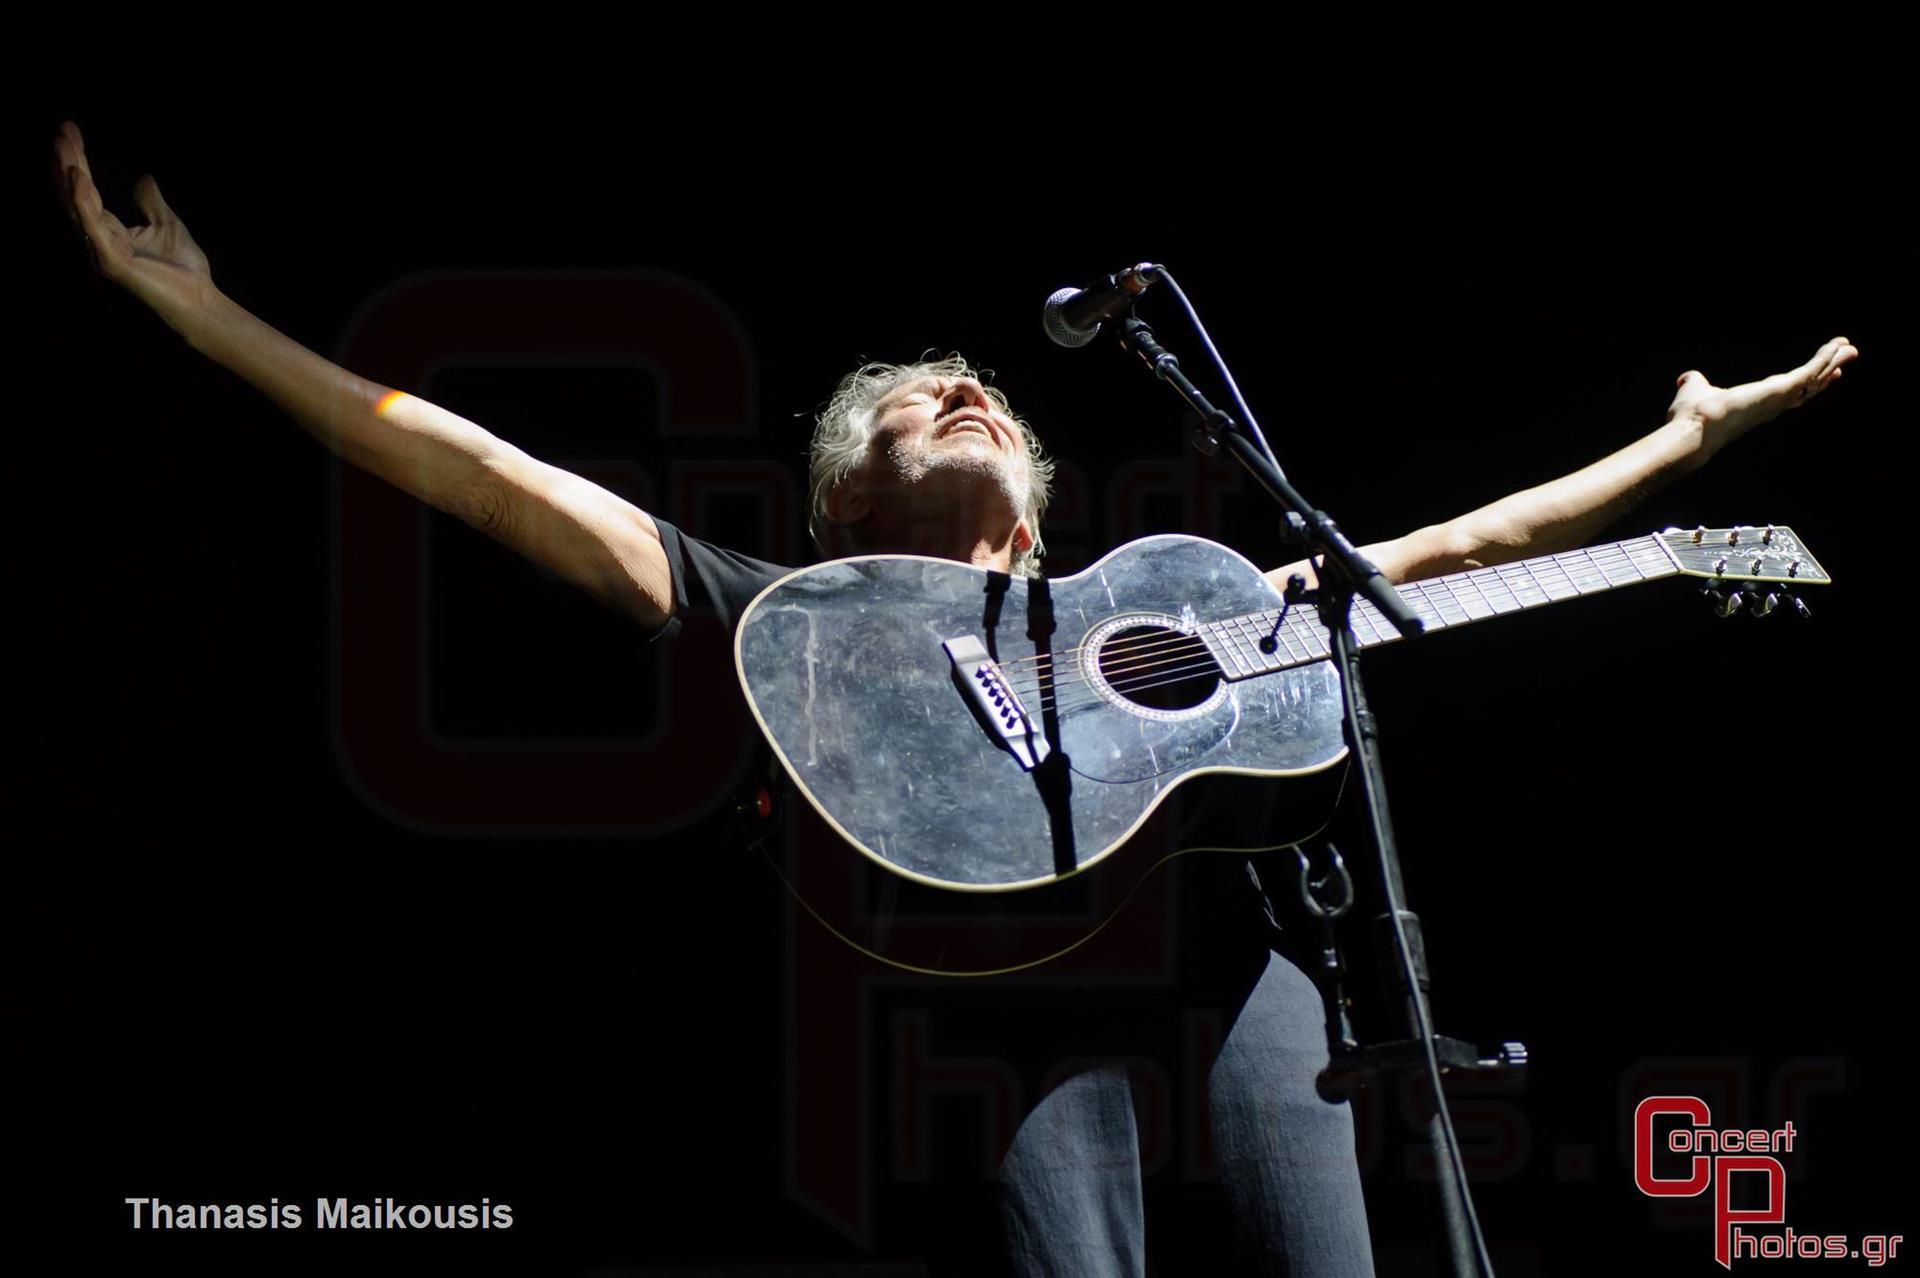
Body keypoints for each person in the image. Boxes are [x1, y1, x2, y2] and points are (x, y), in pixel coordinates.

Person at [54, 119, 1859, 1275]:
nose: (973, 393)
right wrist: (210, 320)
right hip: (1002, 1031)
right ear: (846, 503)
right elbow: (488, 474)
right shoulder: (798, 611)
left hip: (1238, 996)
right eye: (925, 397)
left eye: (987, 389)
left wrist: (1679, 452)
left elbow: (1444, 554)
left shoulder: (1176, 603)